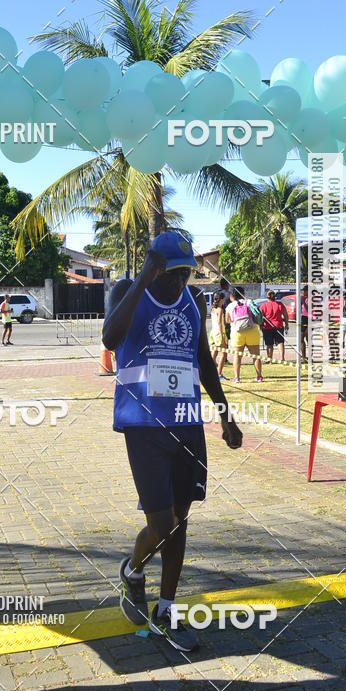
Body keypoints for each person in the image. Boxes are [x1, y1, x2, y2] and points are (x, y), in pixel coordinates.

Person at [102, 232, 242, 651]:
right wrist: (143, 281)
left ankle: (166, 609)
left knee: (181, 520)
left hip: (186, 422)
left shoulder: (193, 302)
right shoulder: (128, 289)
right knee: (161, 525)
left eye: (184, 275)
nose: (178, 283)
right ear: (153, 267)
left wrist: (225, 415)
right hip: (142, 424)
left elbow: (203, 361)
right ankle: (133, 568)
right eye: (170, 275)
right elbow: (110, 338)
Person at [225, 286, 263, 384]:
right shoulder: (249, 302)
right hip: (252, 331)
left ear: (232, 295)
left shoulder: (230, 306)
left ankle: (237, 377)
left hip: (237, 333)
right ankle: (259, 376)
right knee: (256, 356)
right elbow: (257, 314)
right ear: (243, 293)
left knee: (237, 356)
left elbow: (227, 321)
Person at [260, 290, 289, 363]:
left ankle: (270, 359)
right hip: (278, 326)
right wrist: (286, 324)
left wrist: (260, 325)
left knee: (269, 344)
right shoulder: (280, 304)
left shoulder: (263, 306)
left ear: (267, 297)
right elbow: (285, 315)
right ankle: (282, 358)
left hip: (267, 327)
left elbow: (260, 317)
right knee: (280, 342)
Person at [210, 291, 229, 378]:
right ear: (222, 299)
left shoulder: (213, 308)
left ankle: (209, 373)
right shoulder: (220, 310)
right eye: (224, 299)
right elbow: (219, 323)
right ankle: (219, 374)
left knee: (214, 353)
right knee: (224, 354)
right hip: (219, 333)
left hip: (213, 333)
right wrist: (222, 337)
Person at [300, 285, 309, 362]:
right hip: (303, 318)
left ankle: (311, 356)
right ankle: (303, 357)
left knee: (308, 337)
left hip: (310, 318)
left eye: (304, 291)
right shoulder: (303, 298)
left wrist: (303, 301)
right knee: (301, 338)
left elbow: (309, 310)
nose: (303, 292)